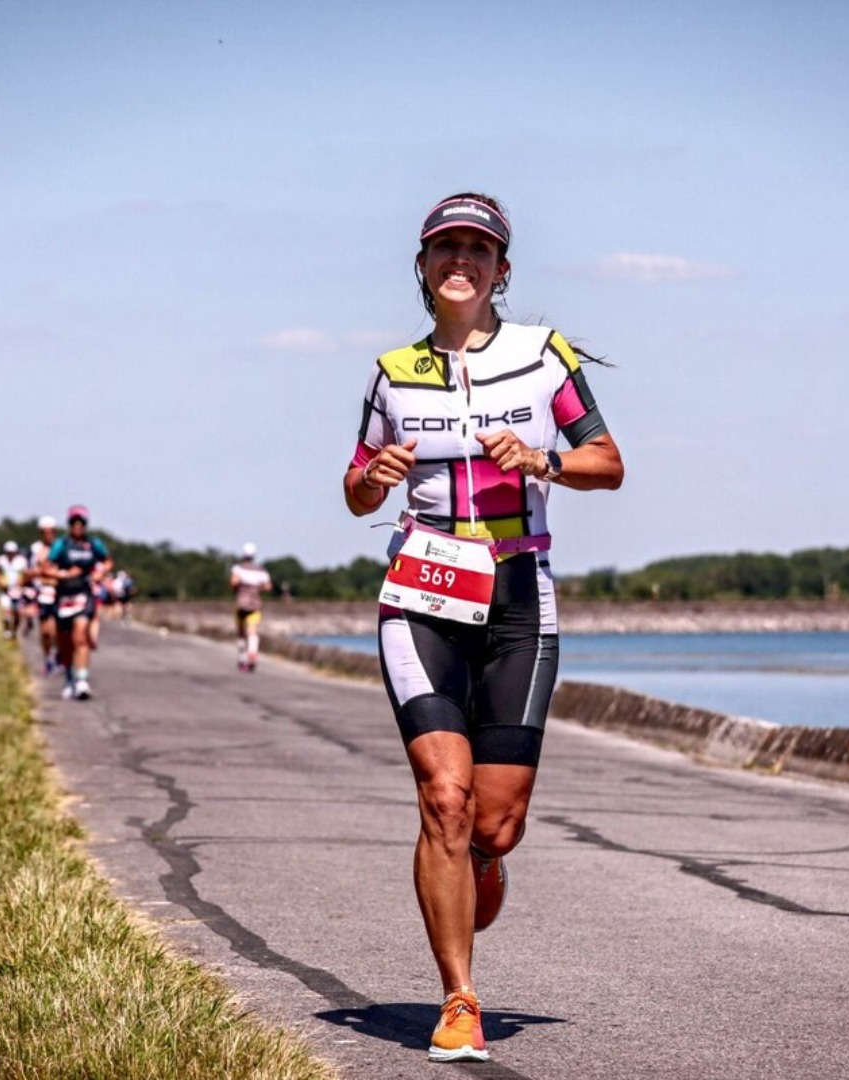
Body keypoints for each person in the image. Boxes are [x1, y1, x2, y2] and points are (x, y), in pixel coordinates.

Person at [343, 192, 624, 1063]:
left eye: (478, 248)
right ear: (422, 267)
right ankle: (459, 999)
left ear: (503, 269)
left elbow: (607, 465)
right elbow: (354, 491)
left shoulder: (546, 359)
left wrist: (542, 460)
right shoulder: (392, 372)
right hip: (422, 589)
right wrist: (376, 476)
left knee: (494, 825)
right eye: (444, 248)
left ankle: (481, 864)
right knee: (445, 800)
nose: (460, 259)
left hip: (516, 595)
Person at [43, 505, 112, 700]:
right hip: (64, 596)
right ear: (69, 524)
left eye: (81, 523)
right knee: (65, 643)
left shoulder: (93, 544)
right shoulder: (61, 545)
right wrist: (63, 574)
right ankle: (69, 677)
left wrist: (100, 572)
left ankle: (82, 680)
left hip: (84, 594)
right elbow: (45, 568)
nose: (78, 526)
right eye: (74, 522)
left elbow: (107, 561)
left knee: (81, 636)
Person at [229, 542, 272, 671]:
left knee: (241, 633)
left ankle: (242, 659)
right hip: (255, 605)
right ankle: (252, 652)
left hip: (241, 604)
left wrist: (239, 588)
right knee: (252, 632)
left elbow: (233, 582)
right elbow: (268, 586)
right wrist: (258, 587)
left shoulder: (238, 568)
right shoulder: (261, 570)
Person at [28, 516, 60, 673]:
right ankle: (47, 657)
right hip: (42, 593)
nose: (49, 534)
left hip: (58, 593)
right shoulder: (35, 549)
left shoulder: (61, 547)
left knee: (56, 631)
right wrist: (40, 572)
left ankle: (59, 655)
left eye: (52, 531)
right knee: (45, 632)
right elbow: (28, 571)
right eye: (46, 532)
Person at [0, 540, 28, 639]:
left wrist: (22, 583)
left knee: (17, 613)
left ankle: (14, 631)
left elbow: (26, 573)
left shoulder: (21, 561)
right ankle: (6, 630)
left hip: (17, 590)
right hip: (5, 590)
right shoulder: (1, 560)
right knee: (6, 611)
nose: (10, 554)